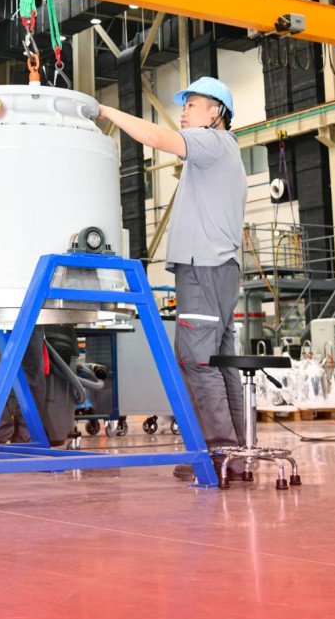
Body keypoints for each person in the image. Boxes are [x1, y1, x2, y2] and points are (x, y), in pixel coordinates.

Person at [98, 76, 247, 481]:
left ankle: (218, 456)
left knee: (197, 361)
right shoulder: (222, 153)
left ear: (216, 113)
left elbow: (157, 138)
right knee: (220, 364)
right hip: (219, 269)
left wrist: (107, 112)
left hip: (203, 268)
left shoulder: (212, 142)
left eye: (192, 105)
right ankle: (237, 454)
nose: (183, 112)